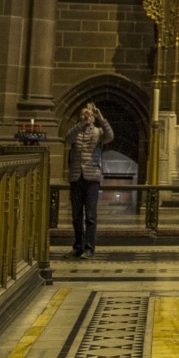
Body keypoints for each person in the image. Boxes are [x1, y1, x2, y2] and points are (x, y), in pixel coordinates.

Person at [65, 102, 113, 258]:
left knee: (90, 215)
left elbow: (110, 135)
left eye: (89, 115)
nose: (87, 117)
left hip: (92, 178)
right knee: (76, 215)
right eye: (83, 114)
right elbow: (67, 138)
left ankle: (89, 247)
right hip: (76, 177)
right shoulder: (76, 131)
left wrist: (101, 117)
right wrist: (82, 123)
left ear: (93, 117)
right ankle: (78, 245)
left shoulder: (98, 132)